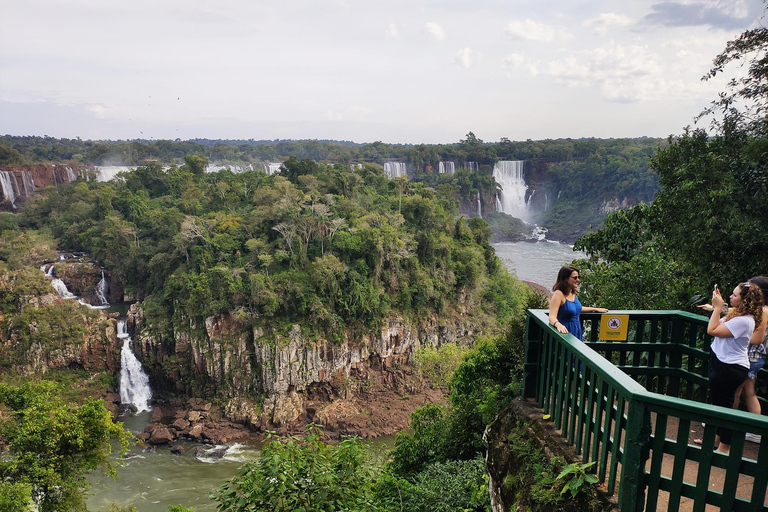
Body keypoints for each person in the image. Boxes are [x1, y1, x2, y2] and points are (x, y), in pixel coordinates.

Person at [695, 281, 764, 454]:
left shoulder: (743, 321)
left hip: (730, 368)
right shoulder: (738, 314)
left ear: (745, 300)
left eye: (734, 295)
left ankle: (725, 448)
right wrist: (717, 305)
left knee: (724, 409)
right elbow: (720, 320)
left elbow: (712, 330)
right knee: (718, 405)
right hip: (724, 364)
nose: (731, 297)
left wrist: (717, 308)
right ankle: (716, 442)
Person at [734, 276, 768, 443]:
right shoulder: (760, 309)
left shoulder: (764, 310)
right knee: (748, 391)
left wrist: (735, 336)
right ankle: (755, 431)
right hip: (755, 355)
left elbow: (757, 339)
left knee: (738, 390)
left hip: (752, 355)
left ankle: (725, 423)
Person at [548, 266, 608, 340]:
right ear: (565, 278)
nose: (578, 280)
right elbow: (551, 316)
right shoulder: (559, 294)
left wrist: (595, 309)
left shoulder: (572, 293)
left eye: (578, 277)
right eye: (575, 277)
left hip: (576, 331)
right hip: (564, 333)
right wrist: (558, 325)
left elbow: (576, 308)